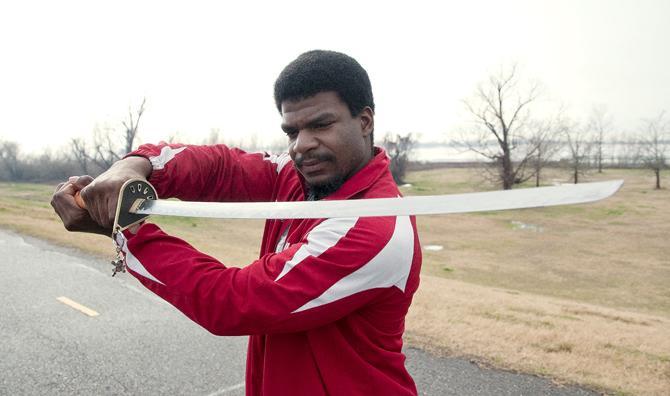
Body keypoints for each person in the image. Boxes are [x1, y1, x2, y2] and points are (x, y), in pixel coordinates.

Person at [51, 50, 422, 396]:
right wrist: (135, 165)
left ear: (365, 121)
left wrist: (127, 231)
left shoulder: (375, 229)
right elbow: (220, 168)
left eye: (321, 125)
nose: (301, 145)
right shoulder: (296, 176)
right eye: (292, 132)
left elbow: (232, 302)